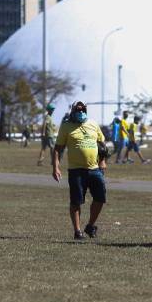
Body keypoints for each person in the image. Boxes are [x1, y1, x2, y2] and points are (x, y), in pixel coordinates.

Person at [52, 101, 108, 240]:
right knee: (76, 201)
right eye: (78, 109)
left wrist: (102, 161)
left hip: (95, 169)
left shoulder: (93, 124)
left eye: (83, 109)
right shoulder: (66, 127)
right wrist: (56, 167)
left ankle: (90, 225)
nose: (80, 111)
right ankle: (77, 231)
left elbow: (102, 144)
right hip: (76, 170)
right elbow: (58, 149)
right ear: (72, 111)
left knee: (100, 198)